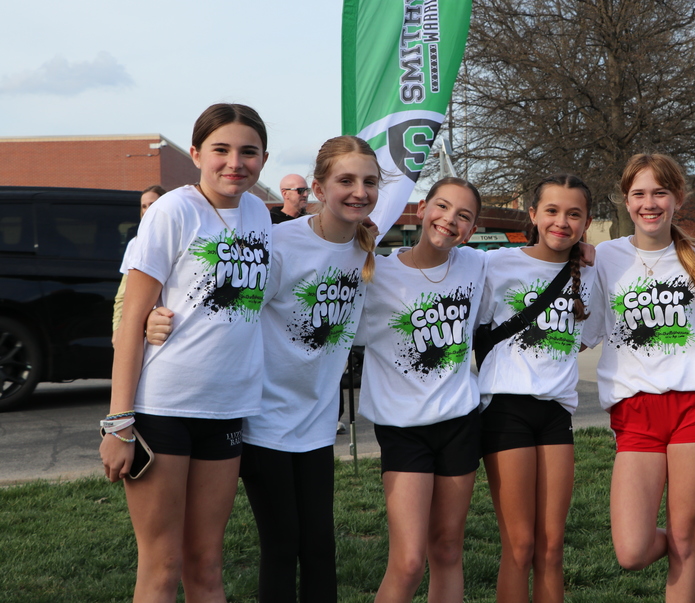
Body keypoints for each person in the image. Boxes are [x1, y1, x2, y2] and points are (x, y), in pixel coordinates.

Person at [145, 136, 380, 602]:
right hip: (261, 420)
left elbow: (424, 276)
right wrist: (152, 311)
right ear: (318, 186)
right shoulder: (278, 243)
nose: (358, 191)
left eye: (369, 182)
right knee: (281, 544)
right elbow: (217, 296)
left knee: (318, 547)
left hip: (316, 423)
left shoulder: (369, 253)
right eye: (345, 180)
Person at [99, 103, 272, 601]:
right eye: (221, 150)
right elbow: (132, 322)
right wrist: (118, 423)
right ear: (196, 153)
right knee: (163, 564)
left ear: (263, 158)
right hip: (162, 410)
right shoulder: (173, 210)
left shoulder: (260, 212)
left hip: (227, 409)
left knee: (206, 563)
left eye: (248, 152)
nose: (234, 162)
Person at [581, 154, 695, 603]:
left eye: (660, 192)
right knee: (632, 550)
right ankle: (694, 546)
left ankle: (689, 543)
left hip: (694, 406)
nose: (650, 203)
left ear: (677, 198)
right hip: (634, 410)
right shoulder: (604, 257)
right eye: (639, 194)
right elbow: (587, 332)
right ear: (625, 200)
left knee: (682, 538)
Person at [356, 177, 486, 603]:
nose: (450, 220)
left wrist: (583, 251)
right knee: (409, 561)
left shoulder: (478, 266)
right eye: (443, 207)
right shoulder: (375, 271)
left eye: (463, 216)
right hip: (403, 431)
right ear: (422, 209)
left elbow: (537, 261)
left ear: (471, 229)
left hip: (460, 425)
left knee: (447, 550)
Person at [477, 174, 595, 603]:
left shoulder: (589, 272)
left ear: (586, 221)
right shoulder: (496, 264)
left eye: (573, 213)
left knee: (551, 547)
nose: (561, 221)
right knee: (521, 546)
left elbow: (586, 335)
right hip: (505, 411)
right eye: (552, 210)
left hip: (556, 415)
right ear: (533, 214)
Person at [112, 185, 166, 344]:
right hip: (139, 329)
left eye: (153, 204)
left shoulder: (181, 241)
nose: (148, 209)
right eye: (144, 206)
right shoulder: (134, 244)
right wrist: (117, 329)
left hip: (167, 326)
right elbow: (123, 294)